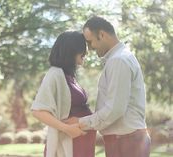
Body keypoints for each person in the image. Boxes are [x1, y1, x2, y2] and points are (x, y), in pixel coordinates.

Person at [65, 16, 151, 157]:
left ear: (102, 35)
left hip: (125, 141)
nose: (90, 48)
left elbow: (114, 110)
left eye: (90, 41)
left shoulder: (118, 61)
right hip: (124, 140)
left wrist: (81, 122)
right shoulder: (120, 57)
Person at [31, 31, 96, 157]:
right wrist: (67, 129)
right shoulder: (54, 74)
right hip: (70, 143)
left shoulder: (69, 77)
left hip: (82, 143)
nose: (86, 52)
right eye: (82, 48)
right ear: (71, 50)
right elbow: (38, 111)